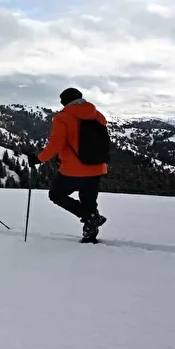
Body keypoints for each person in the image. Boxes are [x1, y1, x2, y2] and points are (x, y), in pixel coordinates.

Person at [27, 88, 109, 244]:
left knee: (56, 195)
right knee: (89, 201)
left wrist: (38, 159)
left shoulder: (63, 117)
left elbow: (55, 144)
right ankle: (90, 236)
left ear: (65, 101)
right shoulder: (98, 116)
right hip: (97, 167)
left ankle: (90, 217)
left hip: (74, 169)